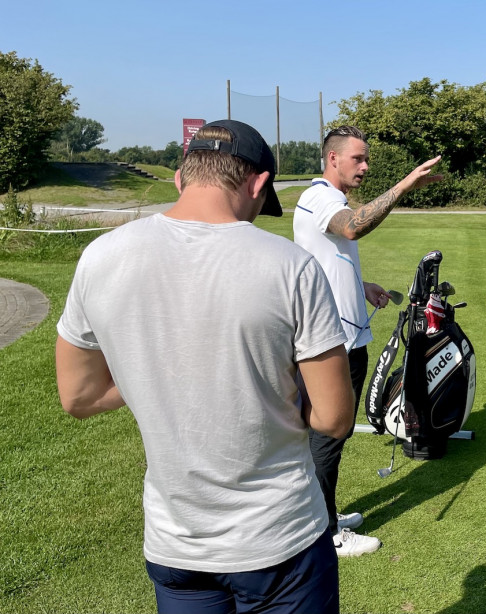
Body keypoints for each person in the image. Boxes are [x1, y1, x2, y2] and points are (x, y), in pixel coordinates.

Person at [55, 119, 355, 613]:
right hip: (280, 540)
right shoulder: (291, 266)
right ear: (259, 184)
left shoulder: (99, 257)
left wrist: (157, 373)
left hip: (176, 543)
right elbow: (333, 418)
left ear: (180, 177)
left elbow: (79, 396)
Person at [293, 125, 443, 556]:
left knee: (330, 438)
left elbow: (327, 256)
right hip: (329, 342)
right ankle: (325, 535)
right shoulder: (321, 196)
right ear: (333, 159)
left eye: (366, 158)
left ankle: (325, 514)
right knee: (327, 436)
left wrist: (362, 285)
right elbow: (354, 228)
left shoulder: (329, 199)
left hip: (344, 336)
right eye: (358, 158)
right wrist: (406, 184)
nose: (365, 165)